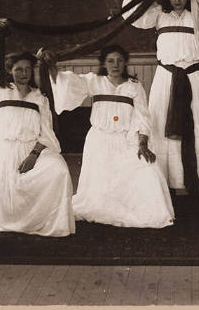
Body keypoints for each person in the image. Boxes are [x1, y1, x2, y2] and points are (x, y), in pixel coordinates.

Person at [41, 44, 174, 228]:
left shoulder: (134, 86)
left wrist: (143, 144)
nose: (115, 64)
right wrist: (51, 67)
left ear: (125, 62)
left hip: (126, 139)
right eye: (110, 60)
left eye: (119, 60)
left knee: (149, 169)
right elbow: (66, 83)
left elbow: (143, 116)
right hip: (99, 141)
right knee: (100, 187)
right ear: (103, 63)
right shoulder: (94, 81)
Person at [0, 19, 75, 237]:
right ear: (10, 70)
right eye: (19, 69)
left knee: (59, 170)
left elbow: (46, 132)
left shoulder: (40, 98)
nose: (24, 73)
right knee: (6, 196)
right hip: (3, 151)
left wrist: (34, 156)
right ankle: (8, 219)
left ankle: (43, 220)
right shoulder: (1, 90)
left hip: (31, 150)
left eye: (28, 69)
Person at [123, 0, 199, 197]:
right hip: (166, 79)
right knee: (161, 130)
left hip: (194, 79)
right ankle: (167, 185)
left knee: (198, 128)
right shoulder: (158, 14)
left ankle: (195, 184)